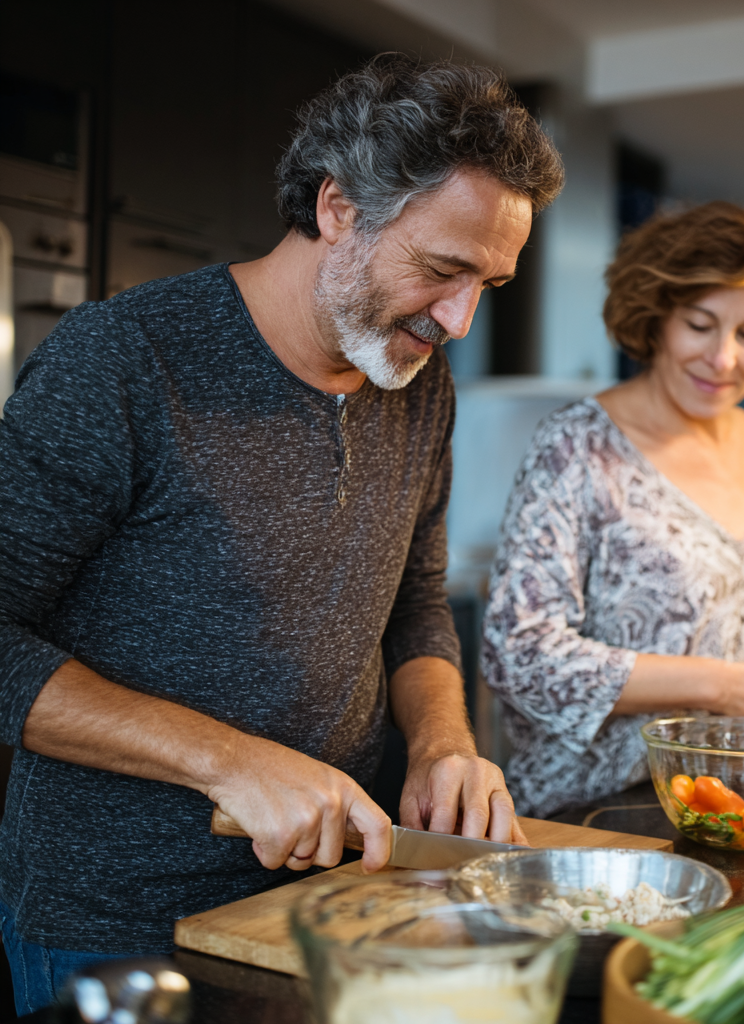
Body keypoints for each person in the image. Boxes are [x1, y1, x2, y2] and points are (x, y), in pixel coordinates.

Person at [0, 55, 564, 1014]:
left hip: (329, 901)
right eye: (441, 269)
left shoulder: (418, 383)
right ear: (338, 207)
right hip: (113, 922)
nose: (460, 319)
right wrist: (229, 759)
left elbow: (416, 602)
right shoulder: (123, 362)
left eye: (490, 284)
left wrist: (440, 744)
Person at [482, 202, 744, 819]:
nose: (723, 359)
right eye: (700, 323)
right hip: (600, 816)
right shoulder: (577, 446)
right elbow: (520, 654)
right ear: (658, 315)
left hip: (742, 806)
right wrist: (725, 684)